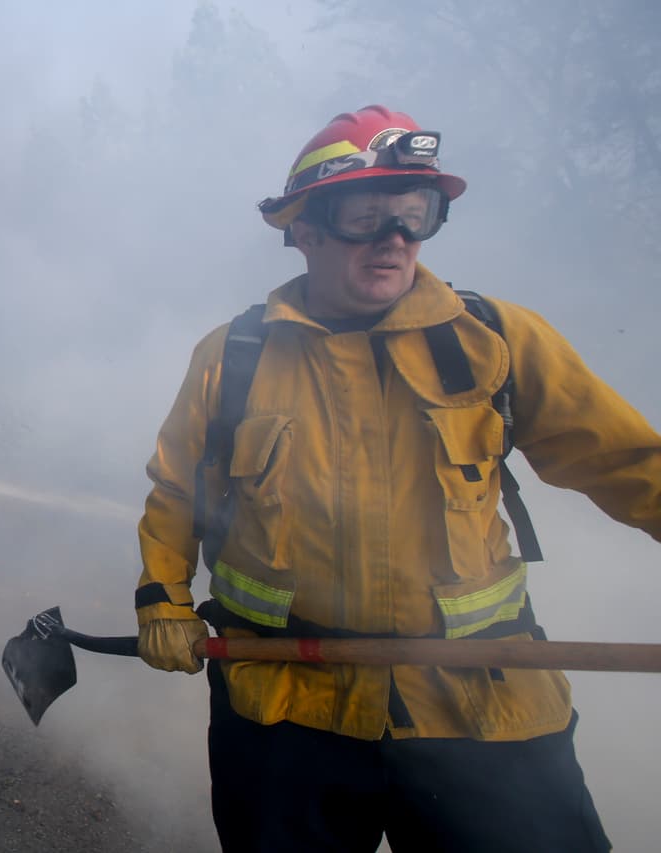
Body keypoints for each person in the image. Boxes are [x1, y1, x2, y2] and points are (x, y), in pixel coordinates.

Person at [134, 105, 661, 851]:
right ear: (306, 228)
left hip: (480, 702)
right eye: (367, 216)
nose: (396, 240)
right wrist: (163, 598)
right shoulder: (235, 357)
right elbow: (176, 493)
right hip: (286, 707)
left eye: (417, 215)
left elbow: (632, 463)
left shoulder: (495, 341)